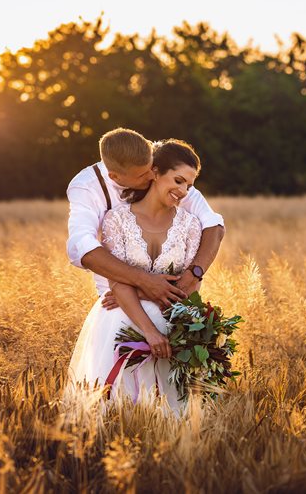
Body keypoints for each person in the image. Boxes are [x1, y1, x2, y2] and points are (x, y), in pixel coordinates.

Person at [66, 129, 224, 411]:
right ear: (116, 177)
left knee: (171, 412)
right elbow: (83, 247)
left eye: (153, 169)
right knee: (114, 407)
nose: (151, 175)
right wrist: (142, 287)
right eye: (144, 175)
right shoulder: (92, 192)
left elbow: (214, 225)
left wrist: (194, 275)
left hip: (171, 316)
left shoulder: (169, 170)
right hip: (118, 312)